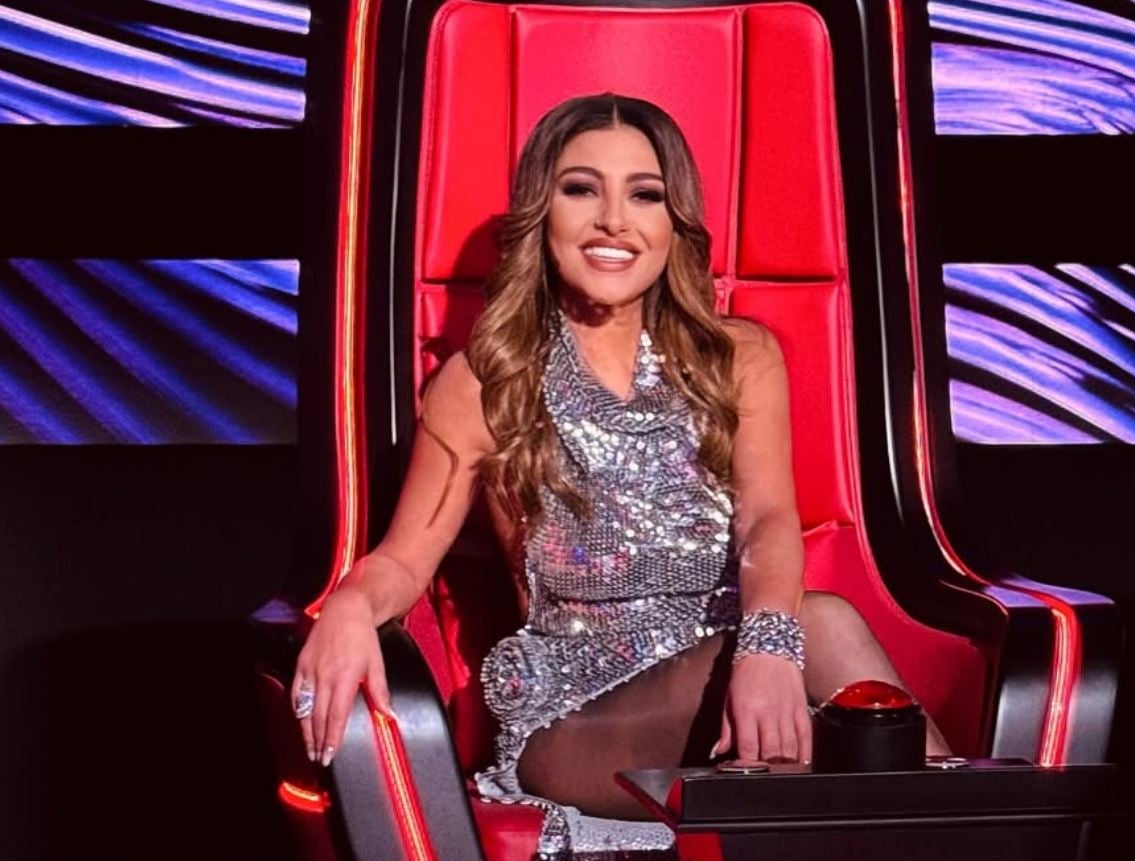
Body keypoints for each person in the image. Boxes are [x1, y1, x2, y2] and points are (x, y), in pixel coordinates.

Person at [292, 92, 948, 856]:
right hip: (575, 715)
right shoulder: (484, 382)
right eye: (581, 189)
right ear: (543, 213)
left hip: (724, 659)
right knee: (827, 643)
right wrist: (348, 606)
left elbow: (768, 519)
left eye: (645, 195)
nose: (613, 220)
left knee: (835, 707)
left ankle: (959, 821)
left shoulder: (740, 358)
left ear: (675, 223)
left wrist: (768, 645)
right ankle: (968, 821)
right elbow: (406, 561)